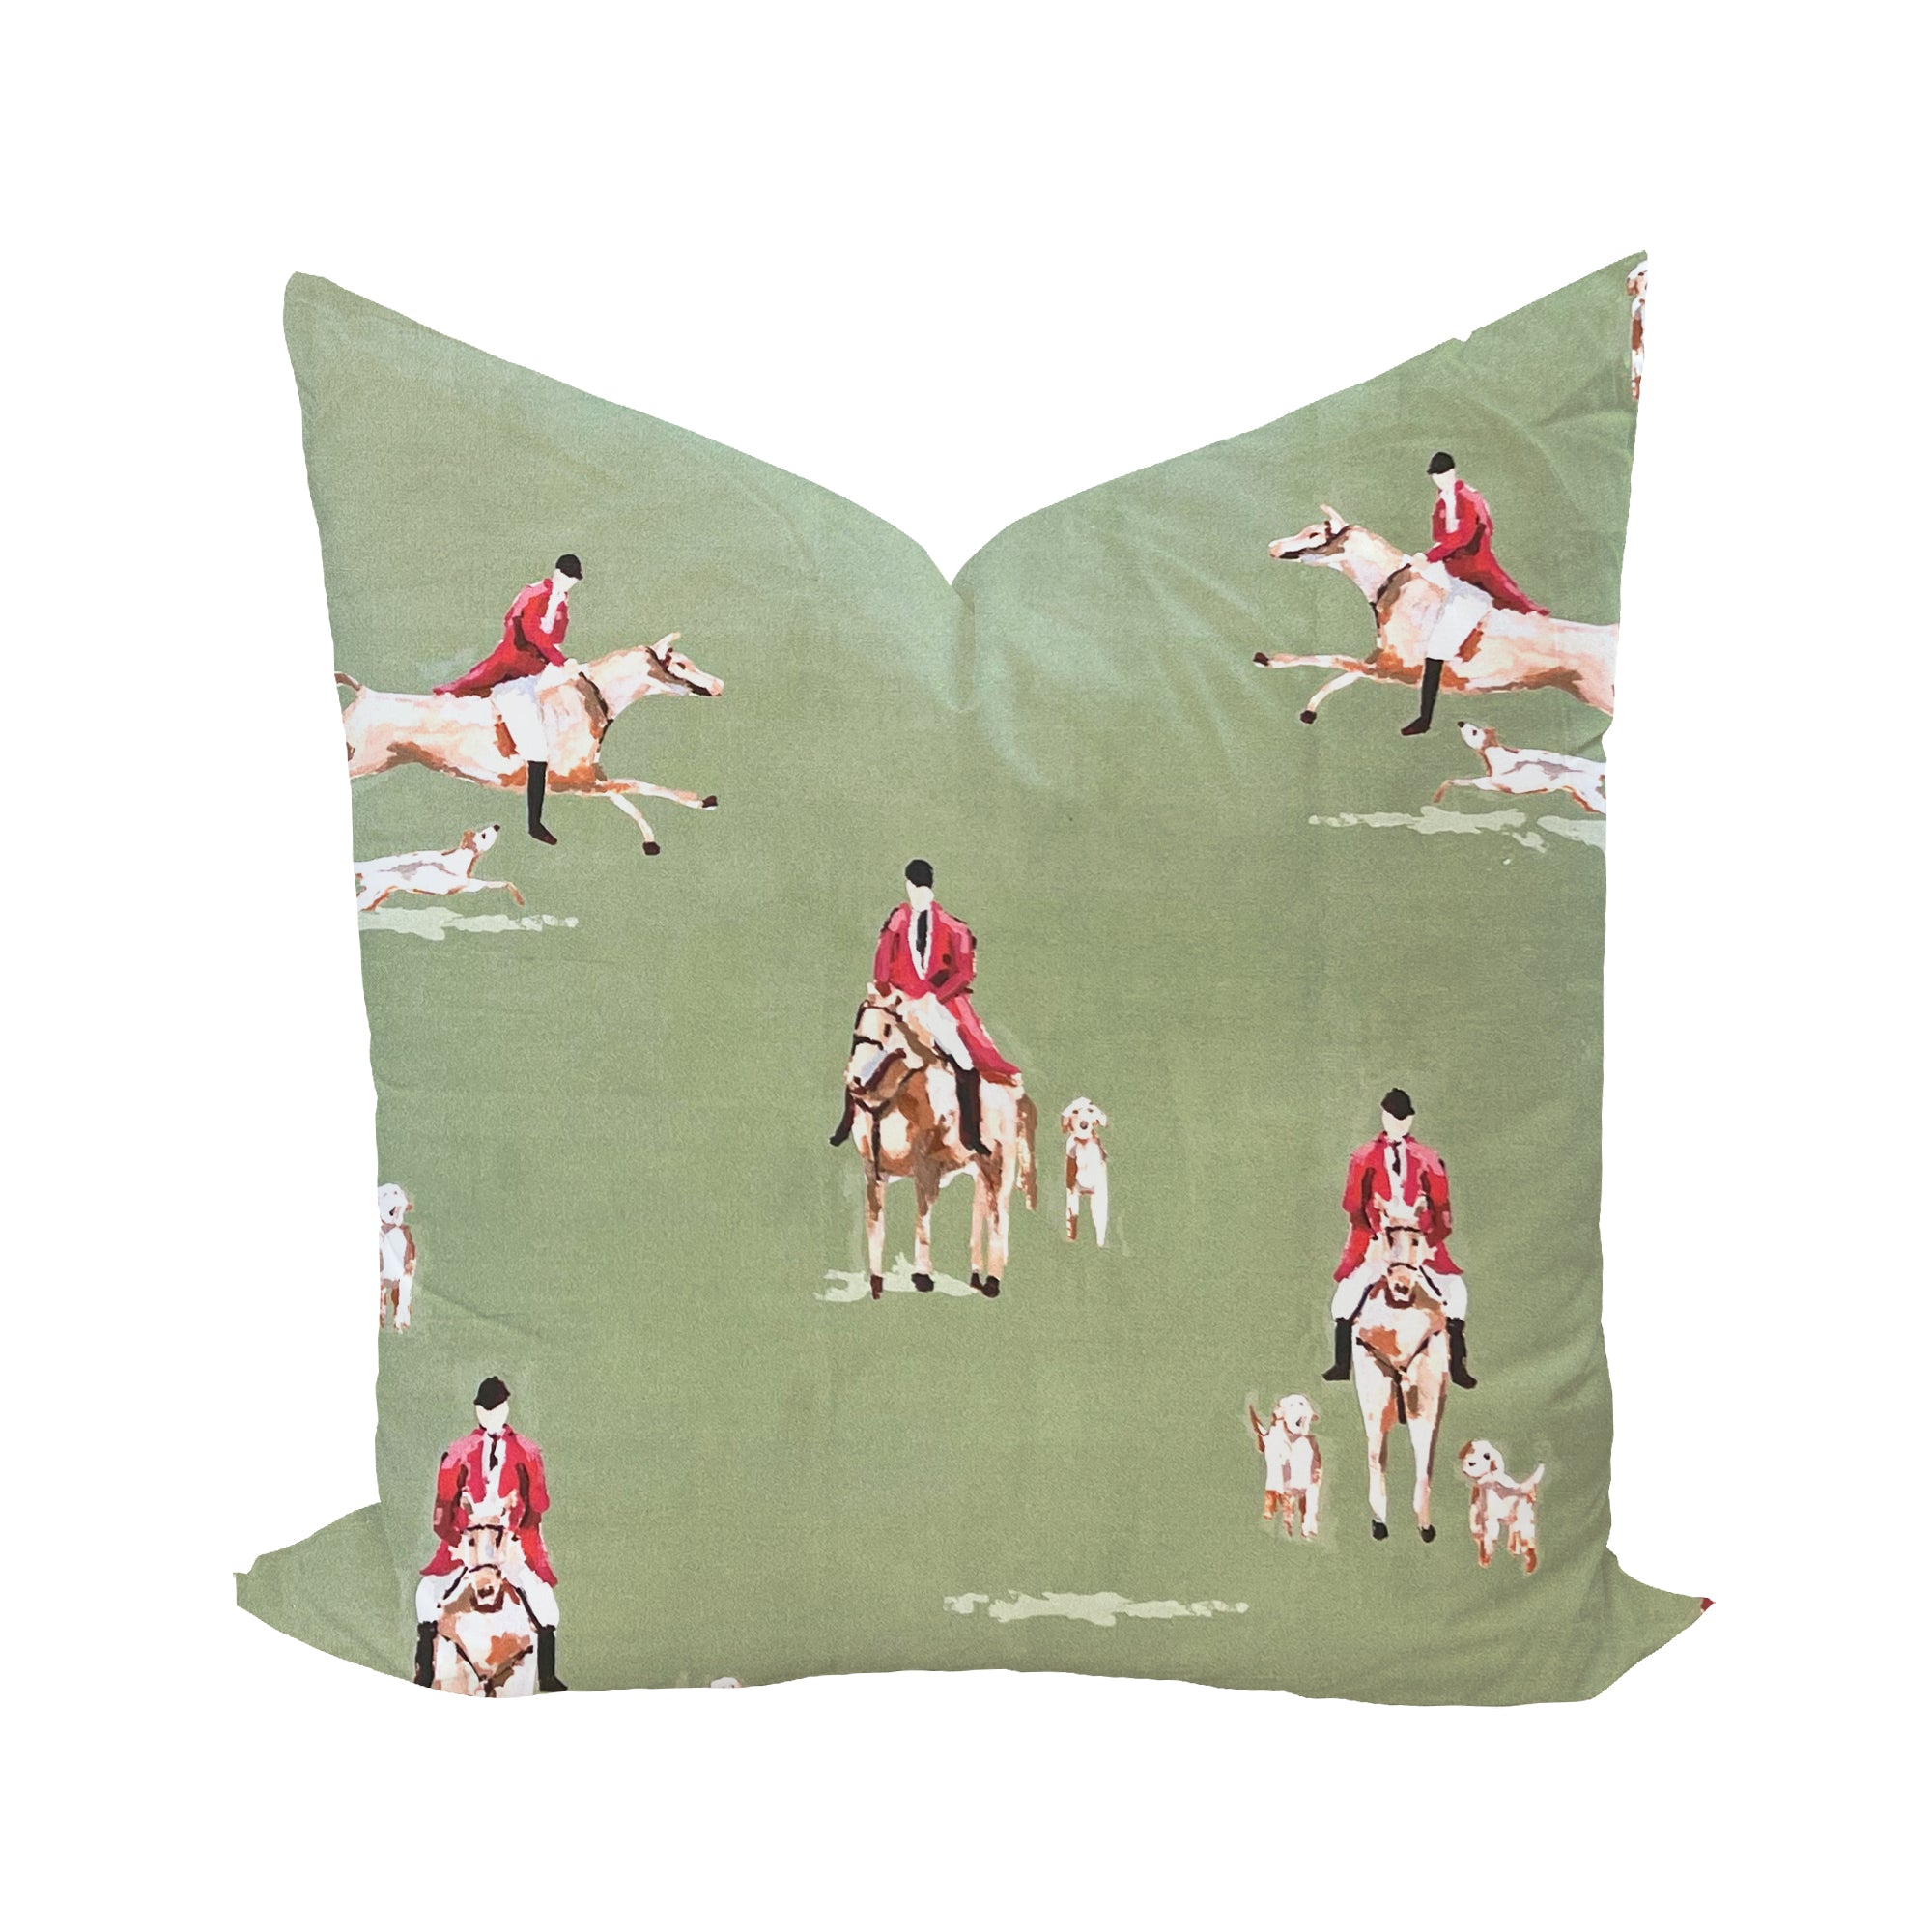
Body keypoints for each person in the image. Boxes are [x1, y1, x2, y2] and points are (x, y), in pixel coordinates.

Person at [831, 859, 1018, 1156]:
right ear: (908, 887)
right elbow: (882, 964)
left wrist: (934, 998)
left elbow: (964, 974)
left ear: (928, 889)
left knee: (964, 1061)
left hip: (936, 1007)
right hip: (899, 1005)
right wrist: (887, 992)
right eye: (913, 888)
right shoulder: (897, 921)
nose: (916, 894)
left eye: (920, 889)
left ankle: (970, 1133)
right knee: (866, 1054)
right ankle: (848, 1119)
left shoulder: (953, 928)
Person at [412, 1376, 567, 1691]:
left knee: (546, 1605)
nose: (490, 1415)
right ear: (477, 1411)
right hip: (468, 1546)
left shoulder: (528, 1451)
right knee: (426, 1595)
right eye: (484, 1410)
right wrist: (457, 1541)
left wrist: (516, 1533)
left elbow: (538, 1504)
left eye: (495, 1409)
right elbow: (442, 1510)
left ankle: (548, 1677)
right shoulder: (457, 1452)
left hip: (511, 1544)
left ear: (506, 1409)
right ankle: (424, 1673)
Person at [1321, 1089, 1478, 1389]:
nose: (1399, 1124)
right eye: (1394, 1118)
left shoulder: (1429, 1158)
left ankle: (1457, 1365)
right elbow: (1353, 1205)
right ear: (1384, 1117)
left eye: (1404, 1119)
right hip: (1377, 1241)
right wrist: (1373, 1239)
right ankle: (1342, 1364)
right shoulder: (1363, 1157)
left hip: (1419, 1243)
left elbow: (1443, 1210)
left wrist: (1429, 1242)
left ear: (1411, 1120)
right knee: (1345, 1297)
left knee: (1456, 1293)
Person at [434, 554, 585, 843]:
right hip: (513, 675)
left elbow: (556, 636)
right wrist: (559, 659)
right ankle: (535, 824)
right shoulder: (533, 593)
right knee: (538, 753)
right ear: (556, 572)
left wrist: (561, 660)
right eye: (566, 578)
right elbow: (532, 633)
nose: (568, 585)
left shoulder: (562, 602)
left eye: (573, 581)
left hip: (537, 670)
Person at [1399, 455, 1547, 736]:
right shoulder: (1442, 501)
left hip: (1473, 580)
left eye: (1444, 474)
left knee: (1436, 649)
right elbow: (1442, 537)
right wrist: (1426, 560)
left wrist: (1429, 557)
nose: (1440, 480)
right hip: (1452, 569)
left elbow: (1462, 537)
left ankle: (1424, 719)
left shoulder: (1469, 499)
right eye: (1436, 476)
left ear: (1453, 472)